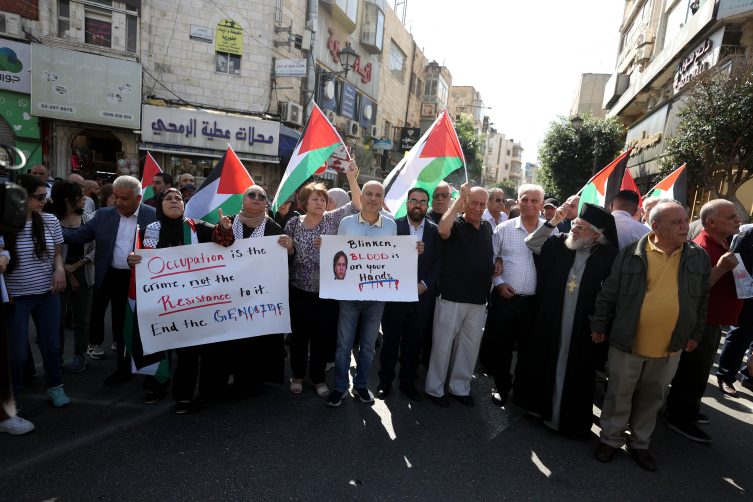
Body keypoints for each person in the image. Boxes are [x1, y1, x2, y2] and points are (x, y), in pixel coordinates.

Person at [592, 200, 710, 472]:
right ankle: (610, 439)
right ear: (655, 227)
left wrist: (696, 332)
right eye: (676, 222)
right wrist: (599, 325)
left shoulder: (698, 256)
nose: (685, 226)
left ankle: (640, 443)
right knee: (619, 393)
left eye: (685, 220)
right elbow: (609, 292)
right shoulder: (631, 253)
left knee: (653, 396)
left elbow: (703, 299)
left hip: (671, 345)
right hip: (627, 340)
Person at [514, 202, 619, 438]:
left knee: (576, 370)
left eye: (581, 228)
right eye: (574, 224)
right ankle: (540, 410)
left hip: (583, 324)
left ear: (596, 235)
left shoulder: (609, 254)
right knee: (545, 361)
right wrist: (552, 222)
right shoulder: (561, 241)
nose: (574, 230)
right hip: (552, 316)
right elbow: (532, 243)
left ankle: (567, 420)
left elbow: (613, 293)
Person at [62, 176, 157, 385]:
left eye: (124, 198)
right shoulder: (104, 214)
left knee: (136, 326)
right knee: (117, 323)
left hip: (139, 279)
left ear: (139, 198)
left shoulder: (153, 216)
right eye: (115, 197)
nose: (119, 203)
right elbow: (79, 236)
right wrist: (50, 229)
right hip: (108, 275)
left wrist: (146, 257)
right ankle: (123, 369)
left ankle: (149, 371)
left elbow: (166, 248)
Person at [128, 188, 216, 411]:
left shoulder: (199, 228)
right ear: (160, 205)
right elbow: (138, 260)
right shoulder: (148, 230)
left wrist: (224, 229)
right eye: (168, 198)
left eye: (178, 198)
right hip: (158, 301)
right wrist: (133, 260)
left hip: (190, 302)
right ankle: (158, 384)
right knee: (157, 344)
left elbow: (226, 243)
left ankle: (183, 396)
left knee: (187, 350)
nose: (174, 201)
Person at [665, 199, 742, 443]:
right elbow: (693, 290)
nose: (738, 219)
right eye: (731, 216)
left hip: (715, 319)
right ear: (711, 222)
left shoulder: (722, 241)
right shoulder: (700, 247)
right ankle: (680, 418)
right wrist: (719, 269)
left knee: (699, 372)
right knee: (693, 372)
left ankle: (688, 411)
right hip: (702, 322)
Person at [284, 162, 362, 397]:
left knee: (321, 337)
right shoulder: (293, 223)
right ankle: (297, 375)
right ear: (305, 203)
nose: (319, 203)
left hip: (326, 292)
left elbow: (357, 205)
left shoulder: (333, 220)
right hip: (298, 290)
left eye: (322, 199)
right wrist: (287, 248)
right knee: (298, 338)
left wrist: (351, 178)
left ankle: (318, 379)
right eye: (314, 199)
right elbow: (284, 254)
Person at [213, 185, 290, 398]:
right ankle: (220, 380)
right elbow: (213, 252)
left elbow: (284, 261)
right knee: (229, 339)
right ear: (243, 199)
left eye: (261, 196)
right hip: (228, 294)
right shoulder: (226, 221)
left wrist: (290, 248)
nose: (256, 198)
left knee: (254, 340)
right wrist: (223, 230)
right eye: (252, 194)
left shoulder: (273, 228)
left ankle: (250, 381)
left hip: (258, 296)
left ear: (266, 203)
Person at [327, 181, 398, 407]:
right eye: (368, 194)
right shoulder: (346, 223)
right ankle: (340, 387)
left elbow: (395, 257)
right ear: (362, 196)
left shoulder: (391, 225)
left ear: (383, 199)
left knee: (368, 347)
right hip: (349, 296)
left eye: (378, 195)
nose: (373, 198)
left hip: (377, 297)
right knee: (343, 345)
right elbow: (338, 254)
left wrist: (413, 251)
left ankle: (360, 385)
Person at [4, 175, 68, 426]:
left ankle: (55, 387)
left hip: (47, 294)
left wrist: (60, 269)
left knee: (52, 346)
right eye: (40, 197)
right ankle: (10, 400)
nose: (45, 201)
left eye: (46, 196)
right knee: (17, 354)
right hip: (16, 297)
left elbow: (57, 254)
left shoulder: (50, 220)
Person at [425, 183, 494, 408]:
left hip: (477, 299)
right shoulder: (454, 222)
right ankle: (435, 389)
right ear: (464, 202)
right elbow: (442, 231)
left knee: (469, 347)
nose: (478, 207)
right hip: (451, 296)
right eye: (473, 202)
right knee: (442, 345)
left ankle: (459, 388)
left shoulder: (486, 227)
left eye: (482, 204)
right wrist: (457, 199)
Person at [489, 184, 552, 405]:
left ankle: (524, 391)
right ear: (517, 202)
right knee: (502, 347)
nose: (529, 204)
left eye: (534, 200)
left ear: (542, 205)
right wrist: (498, 283)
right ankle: (502, 386)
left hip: (534, 304)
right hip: (505, 300)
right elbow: (492, 259)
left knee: (529, 350)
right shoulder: (503, 229)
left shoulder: (551, 232)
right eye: (524, 199)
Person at [377, 187, 442, 401]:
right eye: (414, 200)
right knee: (390, 341)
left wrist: (423, 285)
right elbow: (382, 257)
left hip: (421, 297)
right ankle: (385, 380)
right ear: (407, 203)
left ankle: (407, 381)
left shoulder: (434, 231)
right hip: (395, 296)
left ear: (428, 205)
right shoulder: (393, 227)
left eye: (423, 202)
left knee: (414, 343)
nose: (418, 205)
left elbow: (438, 265)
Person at [46, 181, 95, 374]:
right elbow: (49, 252)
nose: (85, 198)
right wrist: (66, 273)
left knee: (82, 318)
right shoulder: (50, 220)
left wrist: (74, 268)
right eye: (80, 195)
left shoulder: (89, 218)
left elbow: (93, 250)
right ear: (68, 200)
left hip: (84, 271)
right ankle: (56, 356)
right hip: (56, 273)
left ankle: (80, 353)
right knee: (56, 319)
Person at [717, 225, 753, 395]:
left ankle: (749, 376)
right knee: (740, 335)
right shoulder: (747, 234)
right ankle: (725, 376)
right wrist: (747, 289)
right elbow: (735, 262)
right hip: (749, 295)